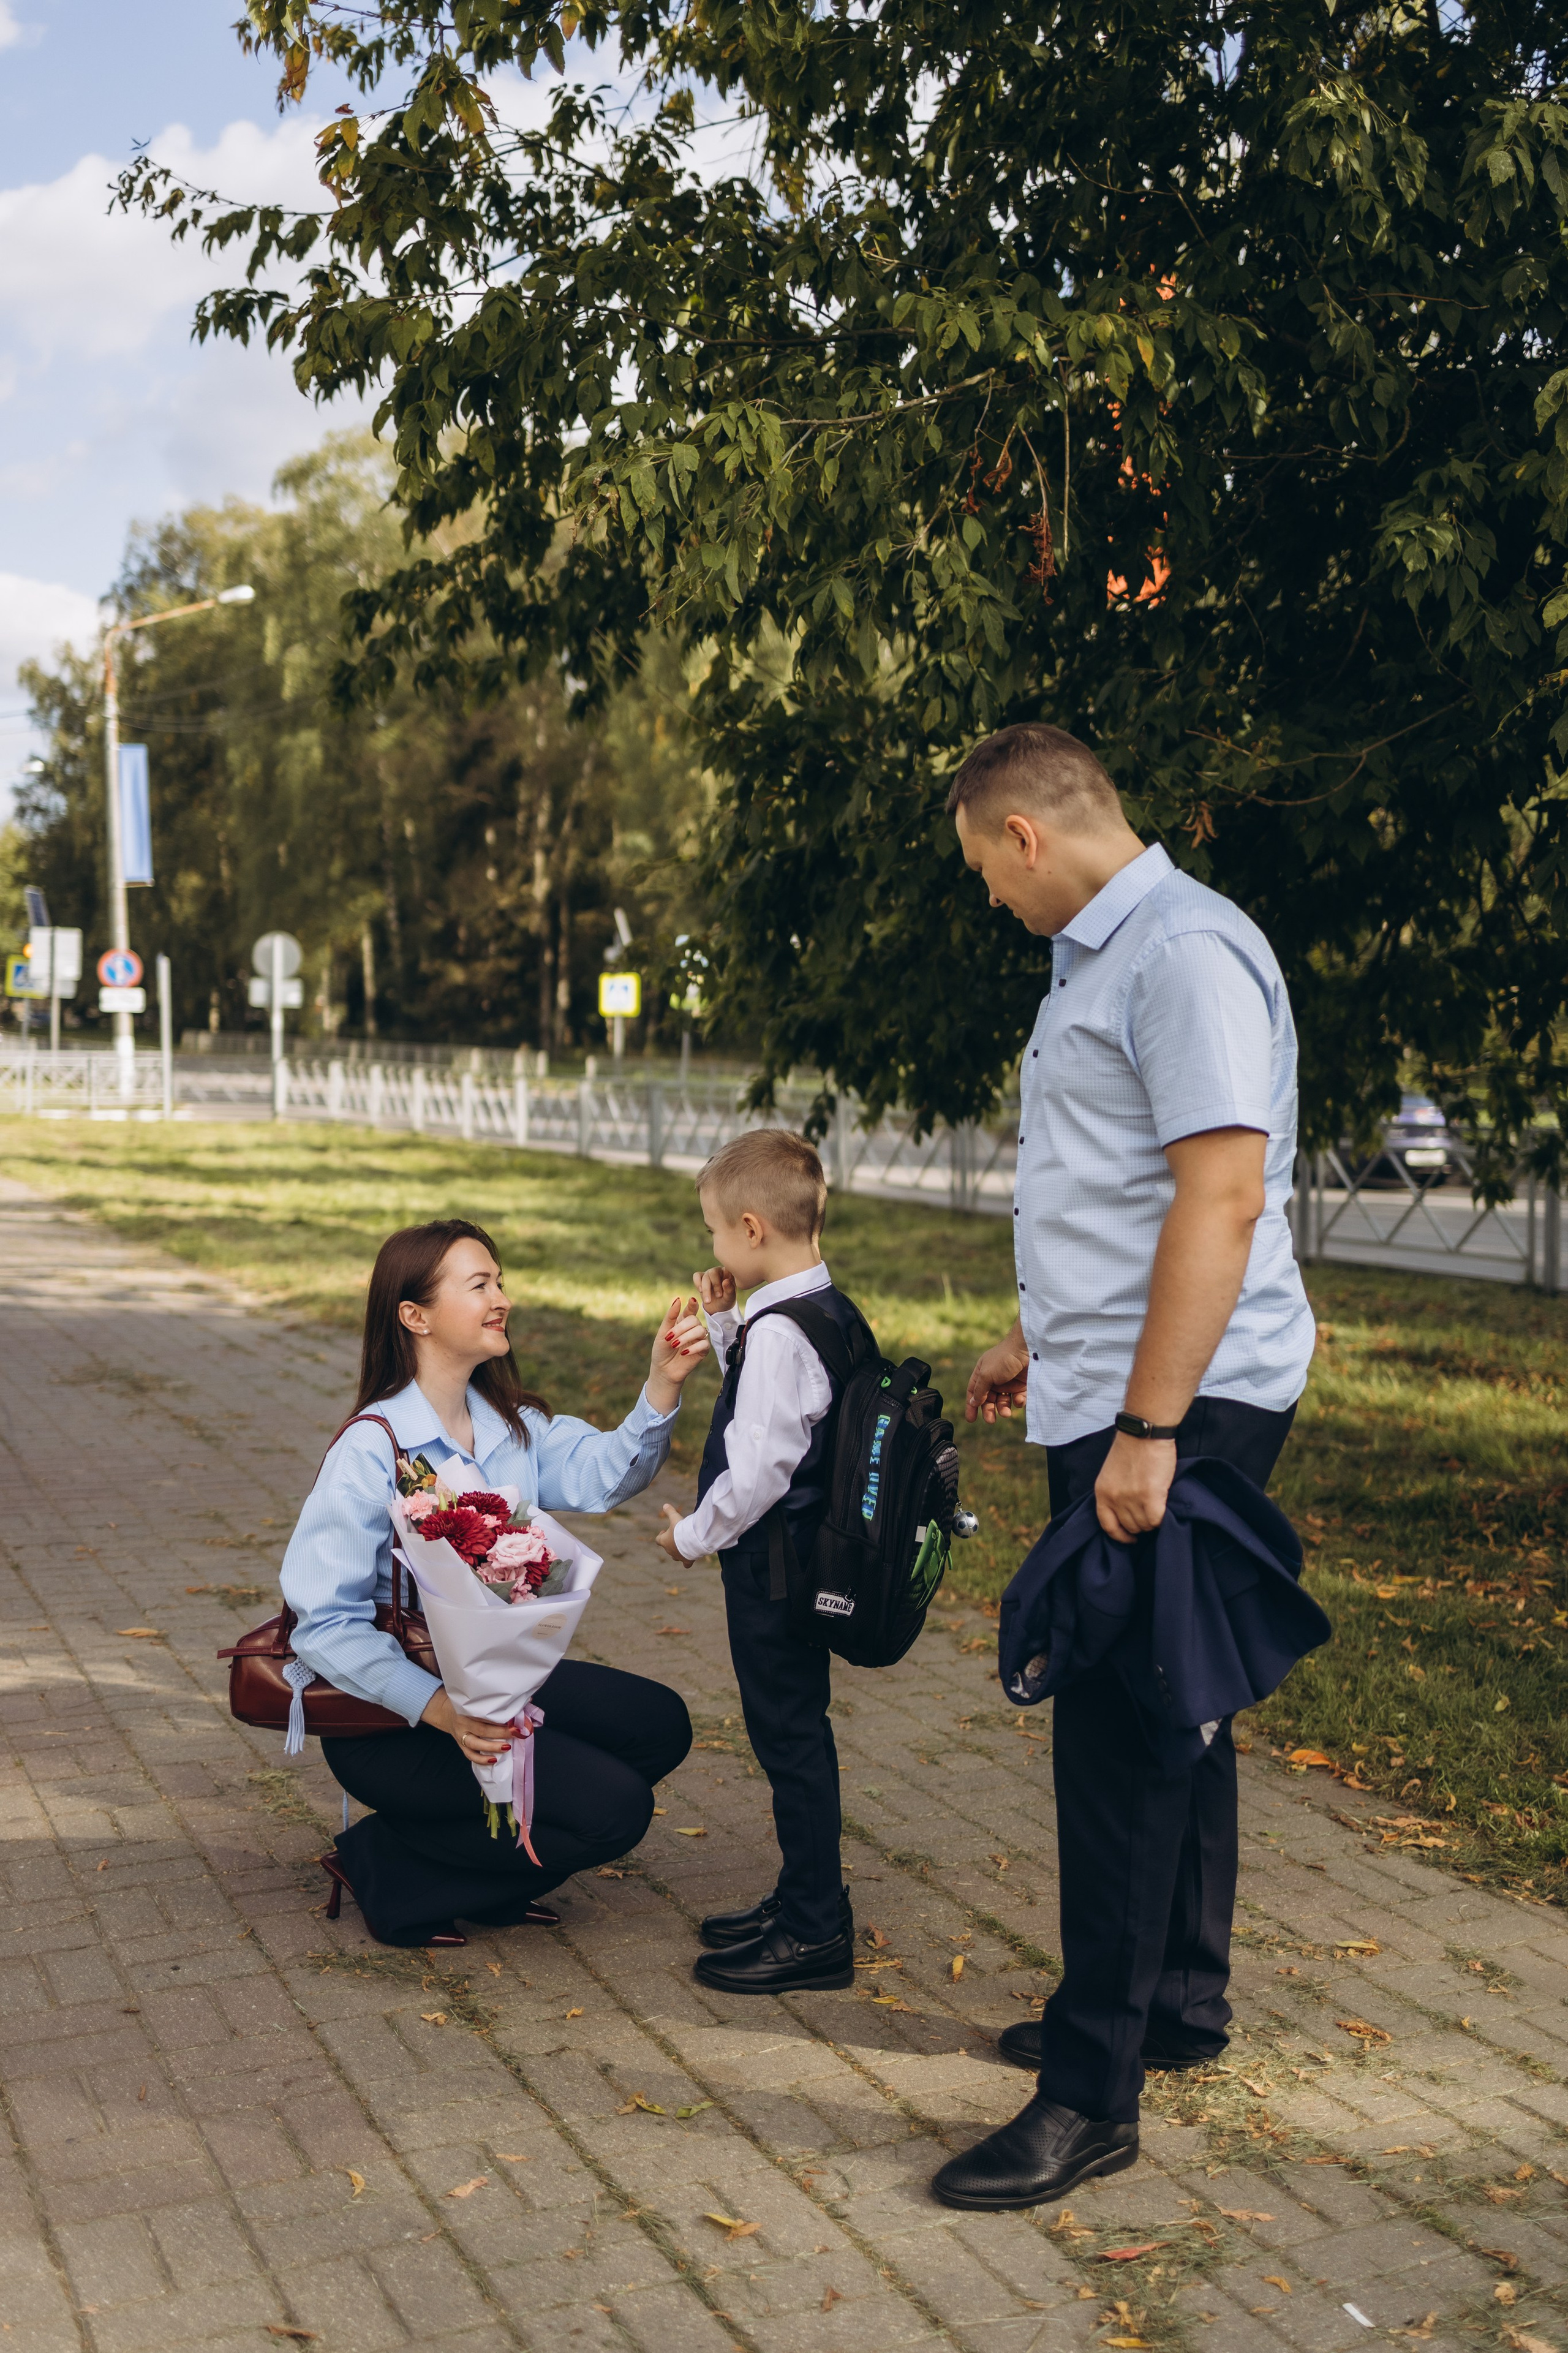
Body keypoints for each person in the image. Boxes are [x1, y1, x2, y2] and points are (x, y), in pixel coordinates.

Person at [930, 722, 1315, 2212]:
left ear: (1024, 834)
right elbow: (1128, 1184)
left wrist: (1146, 1427)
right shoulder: (1104, 961)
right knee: (1176, 1692)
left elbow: (1219, 1195)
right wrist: (1044, 1333)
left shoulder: (1178, 954)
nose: (986, 898)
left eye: (982, 869)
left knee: (1116, 1726)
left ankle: (1089, 2093)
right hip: (1125, 1376)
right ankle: (1173, 2001)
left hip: (1178, 1400)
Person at [281, 1217, 710, 1948]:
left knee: (659, 1724)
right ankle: (385, 1863)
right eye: (479, 1284)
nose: (501, 1296)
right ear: (414, 1316)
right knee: (615, 1810)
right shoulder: (372, 1447)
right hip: (395, 1719)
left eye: (500, 1280)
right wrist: (441, 1709)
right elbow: (322, 1622)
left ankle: (476, 1871)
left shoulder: (514, 1423)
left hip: (497, 1684)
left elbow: (608, 1475)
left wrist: (661, 1384)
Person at [654, 1130, 868, 1995]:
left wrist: (691, 1535)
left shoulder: (781, 1335)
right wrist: (725, 1320)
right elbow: (790, 1401)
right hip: (812, 1563)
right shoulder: (824, 1308)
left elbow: (761, 1468)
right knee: (798, 1732)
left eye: (713, 1232)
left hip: (773, 1572)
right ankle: (802, 1895)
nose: (710, 1248)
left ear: (750, 1229)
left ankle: (818, 1931)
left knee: (789, 1740)